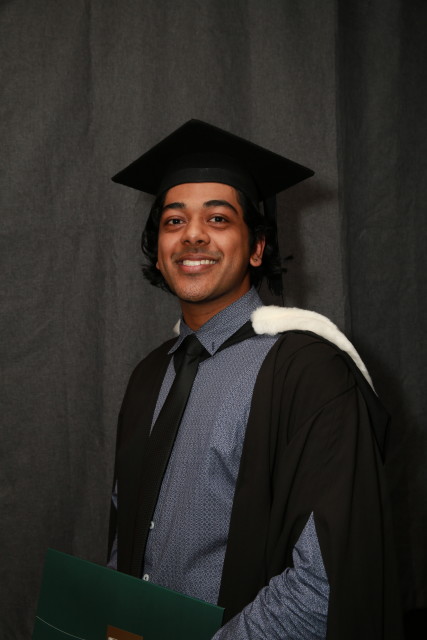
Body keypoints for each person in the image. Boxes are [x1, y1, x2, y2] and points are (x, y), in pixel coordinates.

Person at [108, 120, 403, 639]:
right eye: (174, 221)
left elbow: (323, 586)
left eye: (218, 218)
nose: (192, 234)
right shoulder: (148, 378)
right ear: (158, 248)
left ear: (257, 248)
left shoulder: (309, 373)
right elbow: (124, 542)